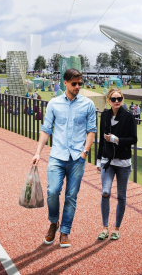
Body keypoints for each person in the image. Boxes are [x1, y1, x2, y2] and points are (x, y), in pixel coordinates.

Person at [32, 68, 96, 248]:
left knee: (71, 196)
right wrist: (38, 152)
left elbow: (91, 131)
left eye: (79, 84)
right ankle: (54, 222)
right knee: (52, 191)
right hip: (57, 156)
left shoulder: (88, 105)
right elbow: (46, 129)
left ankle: (65, 230)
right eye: (74, 84)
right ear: (65, 83)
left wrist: (85, 152)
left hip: (77, 157)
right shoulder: (53, 104)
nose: (77, 87)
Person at [96, 87, 137, 241]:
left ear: (122, 99)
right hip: (108, 161)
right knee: (105, 192)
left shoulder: (128, 117)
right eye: (113, 99)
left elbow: (133, 139)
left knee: (121, 196)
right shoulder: (105, 115)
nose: (117, 101)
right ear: (109, 101)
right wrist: (99, 160)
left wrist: (116, 139)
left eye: (119, 98)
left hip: (123, 163)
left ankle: (116, 228)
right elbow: (101, 138)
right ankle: (105, 227)